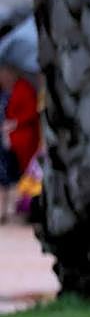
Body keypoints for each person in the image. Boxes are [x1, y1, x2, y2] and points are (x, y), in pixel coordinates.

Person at [0, 62, 39, 223]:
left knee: (16, 176)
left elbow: (31, 111)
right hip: (9, 138)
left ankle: (10, 209)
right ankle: (5, 210)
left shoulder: (24, 88)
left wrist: (14, 123)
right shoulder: (7, 91)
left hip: (22, 139)